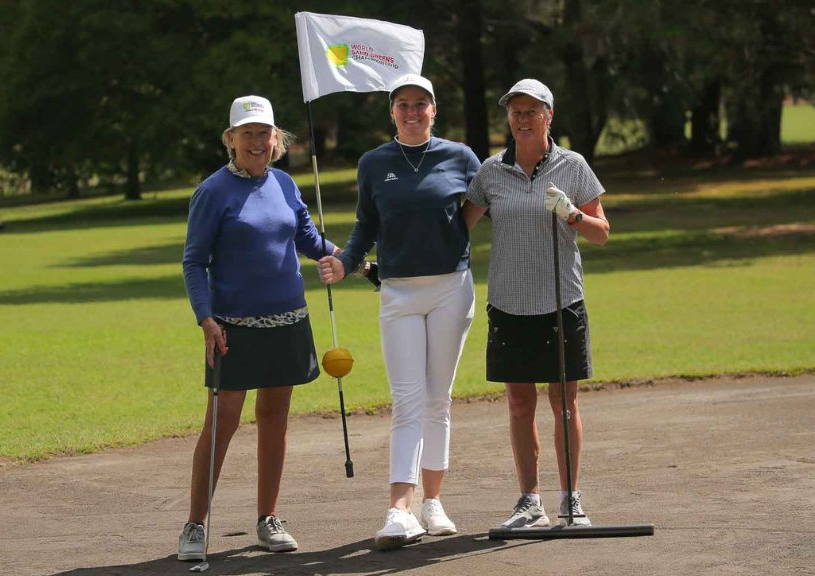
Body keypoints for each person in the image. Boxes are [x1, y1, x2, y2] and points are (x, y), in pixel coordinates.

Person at [318, 74, 480, 550]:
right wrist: (345, 262)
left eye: (421, 104)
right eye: (403, 104)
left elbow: (481, 207)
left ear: (434, 110)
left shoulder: (461, 157)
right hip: (398, 293)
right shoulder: (374, 163)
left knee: (438, 399)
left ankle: (434, 503)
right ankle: (399, 510)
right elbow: (365, 225)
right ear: (392, 112)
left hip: (452, 288)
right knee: (407, 400)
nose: (412, 112)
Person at [178, 95, 338, 559]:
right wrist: (205, 319)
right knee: (222, 421)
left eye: (263, 133)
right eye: (246, 133)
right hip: (232, 326)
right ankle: (195, 525)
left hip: (288, 319)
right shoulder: (212, 192)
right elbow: (194, 262)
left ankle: (268, 518)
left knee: (275, 418)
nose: (256, 141)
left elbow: (308, 238)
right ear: (231, 140)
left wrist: (348, 259)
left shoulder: (285, 184)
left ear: (276, 139)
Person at [462, 79, 610, 529]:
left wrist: (574, 214)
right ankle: (530, 501)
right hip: (508, 304)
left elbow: (601, 232)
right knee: (518, 403)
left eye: (531, 111)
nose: (522, 119)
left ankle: (570, 499)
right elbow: (459, 228)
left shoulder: (573, 165)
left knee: (564, 402)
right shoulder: (491, 171)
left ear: (550, 117)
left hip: (562, 301)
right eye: (516, 112)